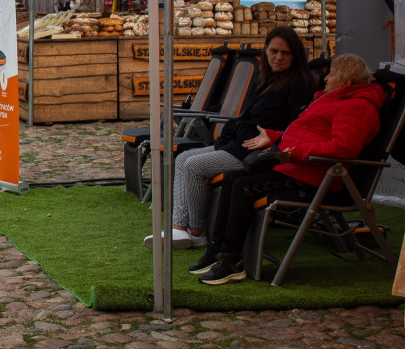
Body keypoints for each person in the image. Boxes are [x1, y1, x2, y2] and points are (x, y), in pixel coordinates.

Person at [196, 53, 383, 285]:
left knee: (243, 186)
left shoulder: (357, 106)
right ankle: (218, 250)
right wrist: (274, 137)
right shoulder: (333, 100)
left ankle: (231, 260)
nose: (326, 79)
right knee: (233, 177)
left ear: (345, 80)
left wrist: (294, 153)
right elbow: (308, 133)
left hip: (316, 176)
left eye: (332, 74)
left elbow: (343, 148)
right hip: (298, 167)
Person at [143, 27, 314, 250]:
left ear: (295, 55)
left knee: (193, 166)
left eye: (286, 53)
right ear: (265, 50)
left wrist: (271, 138)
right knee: (183, 159)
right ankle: (178, 228)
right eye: (274, 51)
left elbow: (297, 126)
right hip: (240, 143)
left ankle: (197, 231)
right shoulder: (268, 79)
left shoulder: (298, 84)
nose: (279, 57)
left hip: (258, 152)